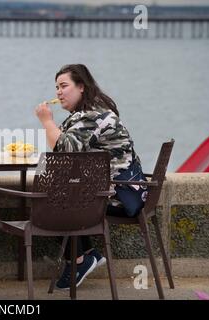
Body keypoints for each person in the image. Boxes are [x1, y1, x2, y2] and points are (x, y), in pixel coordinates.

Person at [35, 64, 145, 290]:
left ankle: (79, 261)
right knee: (59, 193)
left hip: (119, 196)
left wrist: (46, 121)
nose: (58, 92)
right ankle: (86, 255)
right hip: (117, 190)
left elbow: (64, 151)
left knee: (52, 201)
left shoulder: (92, 116)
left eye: (64, 86)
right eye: (56, 87)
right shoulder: (84, 115)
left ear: (81, 87)